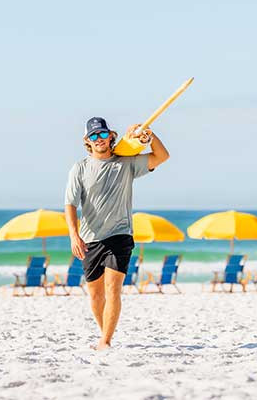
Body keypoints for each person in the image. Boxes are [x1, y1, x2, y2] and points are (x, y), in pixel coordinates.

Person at [64, 117, 170, 350]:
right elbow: (70, 204)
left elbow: (162, 157)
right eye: (94, 136)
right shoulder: (80, 168)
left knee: (113, 288)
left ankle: (105, 340)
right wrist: (74, 235)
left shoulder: (126, 162)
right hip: (90, 238)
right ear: (87, 141)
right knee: (95, 295)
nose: (99, 139)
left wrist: (149, 136)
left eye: (103, 134)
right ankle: (105, 333)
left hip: (120, 235)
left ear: (111, 136)